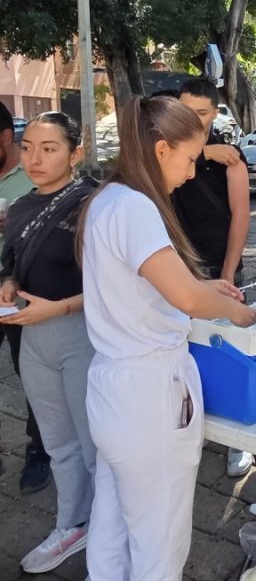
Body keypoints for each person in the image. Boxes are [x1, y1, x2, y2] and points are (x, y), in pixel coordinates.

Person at [78, 95, 256, 579]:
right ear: (161, 150)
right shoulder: (136, 208)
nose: (192, 170)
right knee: (159, 541)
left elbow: (149, 286)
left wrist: (203, 287)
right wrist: (235, 312)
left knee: (113, 522)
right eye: (189, 157)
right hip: (149, 395)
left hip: (115, 388)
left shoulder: (106, 200)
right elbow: (190, 303)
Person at [0, 112, 96, 574]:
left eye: (49, 148)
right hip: (34, 340)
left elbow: (113, 285)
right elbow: (12, 263)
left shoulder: (93, 205)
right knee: (58, 443)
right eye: (28, 148)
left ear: (75, 152)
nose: (35, 159)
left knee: (96, 443)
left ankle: (111, 527)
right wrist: (9, 282)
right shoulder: (20, 207)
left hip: (84, 339)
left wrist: (57, 309)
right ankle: (71, 524)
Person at [174, 78, 253, 478]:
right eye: (186, 110)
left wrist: (227, 271)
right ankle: (194, 425)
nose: (193, 119)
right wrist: (202, 151)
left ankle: (237, 441)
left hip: (218, 266)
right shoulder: (166, 150)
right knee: (184, 350)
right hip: (174, 269)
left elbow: (242, 215)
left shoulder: (230, 156)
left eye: (202, 114)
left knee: (228, 349)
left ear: (214, 113)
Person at [0, 101, 52, 493]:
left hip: (21, 294)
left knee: (31, 376)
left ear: (4, 138)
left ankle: (40, 449)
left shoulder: (32, 178)